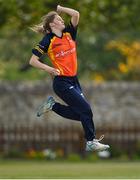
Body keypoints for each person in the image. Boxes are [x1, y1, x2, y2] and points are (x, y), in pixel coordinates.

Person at [29, 5, 110, 152]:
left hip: (74, 80)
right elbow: (33, 61)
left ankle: (53, 106)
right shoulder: (47, 40)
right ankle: (91, 141)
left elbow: (76, 14)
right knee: (86, 110)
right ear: (52, 24)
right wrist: (49, 69)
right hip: (61, 82)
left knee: (84, 115)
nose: (62, 21)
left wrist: (61, 9)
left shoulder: (69, 33)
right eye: (59, 19)